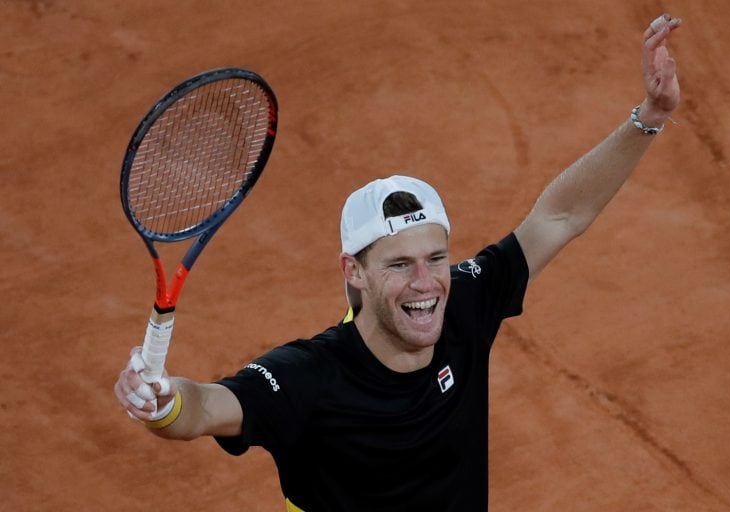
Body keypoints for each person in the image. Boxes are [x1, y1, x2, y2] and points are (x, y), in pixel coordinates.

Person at [115, 13, 682, 512]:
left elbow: (558, 217)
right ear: (352, 272)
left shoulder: (462, 303)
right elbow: (209, 407)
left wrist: (650, 115)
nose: (425, 283)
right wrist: (164, 401)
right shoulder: (309, 378)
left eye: (436, 257)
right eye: (398, 265)